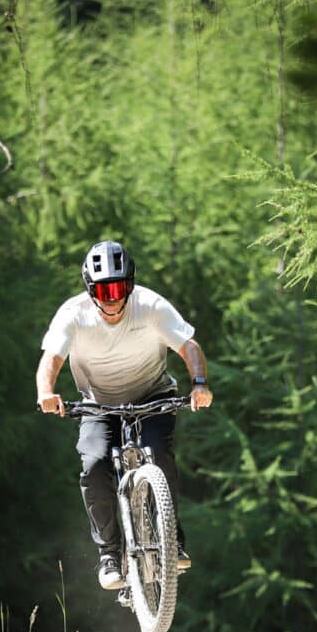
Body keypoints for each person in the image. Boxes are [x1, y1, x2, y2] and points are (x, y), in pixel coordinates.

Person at [36, 240, 213, 590]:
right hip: (98, 404)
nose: (112, 298)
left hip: (152, 396)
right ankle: (109, 552)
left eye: (119, 289)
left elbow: (188, 346)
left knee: (159, 456)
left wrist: (199, 384)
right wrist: (46, 393)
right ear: (90, 289)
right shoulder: (73, 314)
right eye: (103, 290)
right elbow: (51, 361)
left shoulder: (150, 306)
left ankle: (172, 540)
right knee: (95, 464)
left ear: (130, 285)